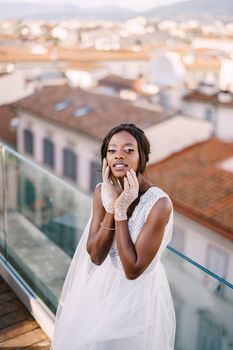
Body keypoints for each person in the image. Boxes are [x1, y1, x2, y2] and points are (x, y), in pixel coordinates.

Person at [50, 123, 176, 350]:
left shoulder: (159, 203)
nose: (119, 154)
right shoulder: (101, 191)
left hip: (137, 298)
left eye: (129, 149)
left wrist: (121, 211)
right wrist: (112, 205)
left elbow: (132, 270)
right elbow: (96, 255)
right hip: (102, 286)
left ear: (142, 158)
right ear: (105, 158)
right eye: (112, 150)